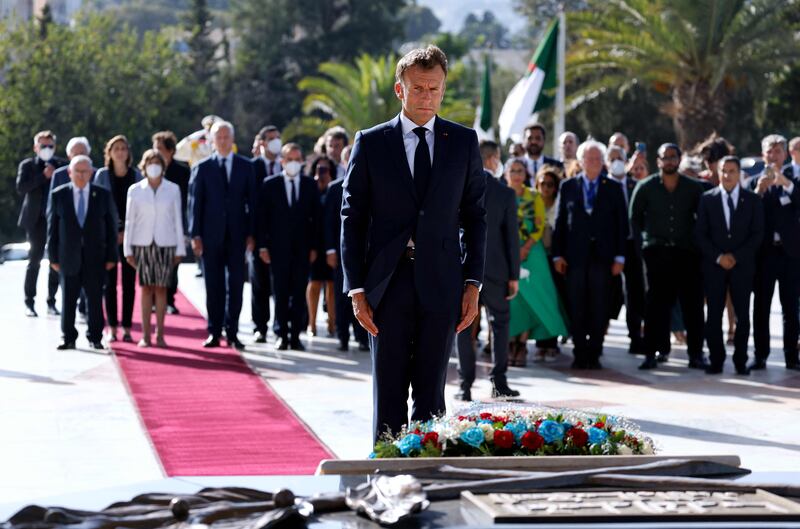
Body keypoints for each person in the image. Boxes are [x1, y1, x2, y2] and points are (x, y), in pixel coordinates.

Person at [341, 45, 486, 442]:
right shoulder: (370, 143)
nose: (426, 96)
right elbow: (352, 219)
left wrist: (473, 282)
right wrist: (355, 288)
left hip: (442, 283)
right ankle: (385, 478)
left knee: (431, 393)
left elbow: (475, 217)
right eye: (418, 88)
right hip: (386, 285)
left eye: (434, 89)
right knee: (388, 392)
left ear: (443, 91)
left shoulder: (462, 142)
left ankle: (426, 476)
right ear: (399, 90)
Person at [631, 143, 708, 370]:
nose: (669, 161)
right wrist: (641, 248)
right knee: (656, 306)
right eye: (665, 158)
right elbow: (634, 219)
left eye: (673, 157)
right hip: (656, 252)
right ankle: (653, 352)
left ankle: (696, 353)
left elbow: (703, 219)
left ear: (679, 159)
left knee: (692, 306)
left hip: (686, 253)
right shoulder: (646, 187)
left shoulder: (693, 188)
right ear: (658, 161)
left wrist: (698, 246)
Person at [553, 141, 627, 369]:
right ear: (581, 161)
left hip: (603, 258)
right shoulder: (568, 186)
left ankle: (595, 351)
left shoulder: (613, 187)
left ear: (603, 162)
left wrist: (620, 257)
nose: (593, 162)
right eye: (589, 158)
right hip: (575, 257)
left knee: (599, 305)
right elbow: (560, 223)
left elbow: (622, 225)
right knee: (577, 305)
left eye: (597, 159)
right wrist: (557, 255)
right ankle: (579, 351)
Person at [455, 142, 520, 400]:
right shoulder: (505, 193)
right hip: (497, 270)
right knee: (500, 325)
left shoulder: (459, 187)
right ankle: (499, 382)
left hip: (462, 267)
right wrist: (513, 275)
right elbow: (511, 239)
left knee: (462, 327)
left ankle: (464, 385)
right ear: (492, 159)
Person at [189, 121, 256, 351]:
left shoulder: (245, 166)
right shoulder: (203, 167)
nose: (224, 140)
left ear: (233, 139)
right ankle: (214, 331)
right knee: (213, 285)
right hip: (210, 236)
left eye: (227, 136)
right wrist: (195, 234)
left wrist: (251, 233)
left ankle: (233, 331)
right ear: (212, 140)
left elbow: (253, 203)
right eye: (219, 137)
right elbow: (195, 204)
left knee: (236, 285)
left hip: (237, 236)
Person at [695, 156, 763, 375]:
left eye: (732, 171)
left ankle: (740, 360)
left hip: (742, 267)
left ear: (739, 173)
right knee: (713, 315)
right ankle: (716, 360)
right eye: (724, 171)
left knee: (743, 316)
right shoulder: (708, 199)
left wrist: (736, 256)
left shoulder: (752, 200)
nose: (727, 175)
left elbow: (757, 233)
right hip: (714, 267)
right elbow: (700, 234)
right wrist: (718, 257)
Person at [48, 156, 117, 350]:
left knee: (95, 300)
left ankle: (95, 337)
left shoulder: (102, 195)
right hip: (68, 257)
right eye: (76, 171)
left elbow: (112, 228)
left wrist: (112, 256)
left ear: (91, 173)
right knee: (68, 299)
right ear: (69, 173)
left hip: (95, 258)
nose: (80, 175)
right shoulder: (59, 195)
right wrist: (53, 257)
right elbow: (52, 229)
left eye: (84, 171)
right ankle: (68, 337)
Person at [256, 143, 319, 351]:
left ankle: (295, 336)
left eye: (297, 159)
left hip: (302, 249)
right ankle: (281, 333)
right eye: (289, 159)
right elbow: (262, 219)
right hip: (278, 249)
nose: (293, 163)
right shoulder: (270, 184)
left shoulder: (310, 185)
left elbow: (316, 218)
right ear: (282, 161)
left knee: (299, 292)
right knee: (280, 292)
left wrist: (314, 247)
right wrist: (263, 247)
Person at [505, 159, 568, 367]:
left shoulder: (534, 196)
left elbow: (539, 224)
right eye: (512, 170)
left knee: (536, 297)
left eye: (520, 171)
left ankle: (522, 345)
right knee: (512, 299)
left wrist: (525, 247)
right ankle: (510, 343)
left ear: (526, 174)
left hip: (532, 252)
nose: (516, 174)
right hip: (506, 251)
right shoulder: (501, 194)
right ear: (506, 173)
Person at [123, 150, 185, 347]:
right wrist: (128, 249)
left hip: (165, 243)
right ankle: (145, 335)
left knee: (161, 289)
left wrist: (180, 249)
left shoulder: (173, 189)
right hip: (142, 244)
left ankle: (160, 334)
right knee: (146, 289)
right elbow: (129, 221)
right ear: (144, 165)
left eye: (157, 162)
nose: (154, 166)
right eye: (150, 162)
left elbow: (177, 220)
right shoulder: (135, 189)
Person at [749, 134, 800, 371]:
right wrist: (759, 190)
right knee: (761, 307)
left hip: (790, 254)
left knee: (791, 308)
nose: (773, 155)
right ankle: (760, 355)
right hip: (765, 254)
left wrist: (786, 184)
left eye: (778, 151)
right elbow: (747, 213)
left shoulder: (793, 180)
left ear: (786, 154)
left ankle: (792, 356)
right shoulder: (753, 183)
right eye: (769, 151)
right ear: (763, 155)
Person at [94, 135, 142, 343]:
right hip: (108, 237)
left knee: (130, 284)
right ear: (110, 152)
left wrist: (127, 233)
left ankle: (128, 327)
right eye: (116, 148)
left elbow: (141, 208)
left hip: (132, 236)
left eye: (124, 148)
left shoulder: (137, 176)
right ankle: (112, 327)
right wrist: (112, 233)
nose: (120, 152)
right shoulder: (102, 176)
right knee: (109, 284)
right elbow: (96, 208)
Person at [17, 130, 65, 317]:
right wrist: (43, 176)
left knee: (55, 261)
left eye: (50, 146)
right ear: (35, 147)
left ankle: (51, 302)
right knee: (34, 261)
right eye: (43, 145)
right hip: (35, 220)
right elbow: (21, 188)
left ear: (55, 147)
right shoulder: (27, 165)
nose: (47, 149)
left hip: (56, 220)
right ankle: (29, 302)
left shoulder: (62, 165)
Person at [606, 146, 645, 354]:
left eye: (619, 158)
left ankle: (635, 335)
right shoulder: (602, 186)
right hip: (610, 247)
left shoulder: (635, 185)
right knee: (605, 292)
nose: (616, 162)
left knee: (634, 292)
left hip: (632, 246)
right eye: (612, 159)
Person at [325, 175, 369, 352]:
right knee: (342, 296)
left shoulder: (372, 182)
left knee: (364, 295)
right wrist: (330, 250)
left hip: (366, 251)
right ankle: (342, 336)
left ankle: (362, 337)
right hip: (342, 252)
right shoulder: (335, 187)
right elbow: (328, 222)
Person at [250, 125, 282, 343]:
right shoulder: (251, 168)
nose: (275, 142)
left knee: (281, 285)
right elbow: (250, 206)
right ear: (261, 142)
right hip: (259, 235)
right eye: (271, 139)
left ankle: (281, 328)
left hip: (282, 235)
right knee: (259, 283)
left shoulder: (287, 165)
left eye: (277, 138)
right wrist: (253, 237)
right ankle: (260, 326)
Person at [153, 131, 190, 315]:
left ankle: (169, 299)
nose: (156, 152)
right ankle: (153, 300)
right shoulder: (149, 168)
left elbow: (186, 202)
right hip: (152, 225)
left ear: (170, 151)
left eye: (160, 148)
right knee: (153, 262)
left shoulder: (183, 172)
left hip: (174, 224)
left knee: (172, 265)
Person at [534, 165, 568, 361]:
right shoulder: (533, 203)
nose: (546, 188)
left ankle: (552, 342)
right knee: (540, 301)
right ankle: (540, 344)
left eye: (550, 184)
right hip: (537, 259)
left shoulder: (560, 205)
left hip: (555, 259)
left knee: (554, 302)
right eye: (543, 184)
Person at [306, 155, 336, 337]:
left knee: (332, 285)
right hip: (314, 243)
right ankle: (312, 323)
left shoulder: (335, 188)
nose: (322, 173)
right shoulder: (310, 188)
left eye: (326, 169)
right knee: (314, 283)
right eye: (319, 169)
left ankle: (332, 323)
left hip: (331, 243)